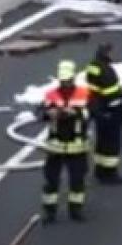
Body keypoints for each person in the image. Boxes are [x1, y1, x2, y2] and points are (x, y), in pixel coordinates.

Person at [42, 60, 90, 222]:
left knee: (77, 181)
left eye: (68, 81)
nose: (65, 85)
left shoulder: (84, 93)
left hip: (77, 147)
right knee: (51, 181)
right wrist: (50, 113)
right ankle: (50, 212)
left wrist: (76, 113)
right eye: (63, 82)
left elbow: (92, 112)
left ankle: (75, 210)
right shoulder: (51, 95)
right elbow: (40, 112)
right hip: (55, 147)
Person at [86, 43, 122, 185]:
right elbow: (113, 94)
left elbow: (95, 91)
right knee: (112, 144)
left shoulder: (93, 67)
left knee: (102, 142)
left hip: (99, 111)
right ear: (106, 54)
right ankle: (110, 174)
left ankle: (100, 170)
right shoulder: (107, 71)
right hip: (110, 113)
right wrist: (121, 110)